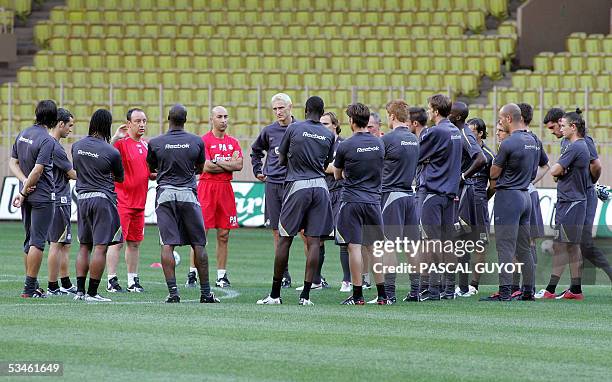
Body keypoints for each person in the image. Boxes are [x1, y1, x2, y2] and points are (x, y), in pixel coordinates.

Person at [256, 96, 335, 306]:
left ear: (306, 109)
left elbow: (281, 159)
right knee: (314, 241)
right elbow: (326, 163)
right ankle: (306, 295)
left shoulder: (294, 128)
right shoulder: (329, 134)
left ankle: (274, 295)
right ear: (322, 111)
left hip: (298, 185)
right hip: (320, 186)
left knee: (284, 238)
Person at [146, 104, 219, 304]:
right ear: (185, 120)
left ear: (168, 118)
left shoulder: (156, 142)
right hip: (188, 194)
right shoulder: (196, 141)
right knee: (199, 243)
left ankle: (173, 293)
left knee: (167, 244)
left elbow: (151, 168)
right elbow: (200, 168)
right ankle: (205, 294)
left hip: (165, 195)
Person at [543, 108, 612, 284]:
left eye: (553, 127)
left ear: (562, 123)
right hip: (574, 196)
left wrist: (590, 184)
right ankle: (575, 287)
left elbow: (596, 165)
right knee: (576, 243)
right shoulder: (565, 142)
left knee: (584, 242)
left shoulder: (583, 142)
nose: (552, 132)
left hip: (585, 196)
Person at [481, 104, 538, 301]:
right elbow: (534, 172)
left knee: (505, 247)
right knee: (524, 248)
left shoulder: (508, 143)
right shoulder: (534, 140)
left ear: (507, 118)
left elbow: (494, 173)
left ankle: (505, 292)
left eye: (500, 118)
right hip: (525, 195)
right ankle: (528, 290)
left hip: (509, 197)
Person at [334, 103, 386, 305]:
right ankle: (382, 295)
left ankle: (357, 295)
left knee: (354, 247)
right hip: (373, 200)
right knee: (374, 248)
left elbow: (338, 174)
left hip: (352, 200)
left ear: (351, 121)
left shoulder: (345, 145)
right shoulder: (379, 143)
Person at [537, 109, 592, 300]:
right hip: (573, 202)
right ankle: (575, 290)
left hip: (571, 202)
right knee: (571, 246)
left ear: (573, 127)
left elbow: (554, 170)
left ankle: (550, 290)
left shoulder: (576, 146)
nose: (561, 129)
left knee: (561, 246)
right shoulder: (576, 145)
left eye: (563, 126)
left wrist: (559, 169)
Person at [72, 109, 124, 302]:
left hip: (82, 199)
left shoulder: (77, 146)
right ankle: (92, 293)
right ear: (107, 126)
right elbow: (120, 177)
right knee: (100, 247)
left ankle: (79, 292)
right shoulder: (112, 151)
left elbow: (79, 168)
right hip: (102, 199)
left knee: (84, 246)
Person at [189, 106, 242, 288]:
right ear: (211, 119)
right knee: (200, 233)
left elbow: (239, 165)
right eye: (220, 116)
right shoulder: (203, 141)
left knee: (224, 234)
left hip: (225, 189)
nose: (224, 120)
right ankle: (192, 273)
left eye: (226, 116)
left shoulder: (233, 142)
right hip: (207, 188)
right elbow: (206, 167)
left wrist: (217, 161)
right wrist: (228, 162)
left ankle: (221, 275)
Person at [9, 100, 57, 298]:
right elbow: (38, 170)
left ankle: (33, 284)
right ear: (54, 119)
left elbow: (13, 162)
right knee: (38, 242)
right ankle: (29, 288)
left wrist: (23, 186)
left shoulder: (23, 134)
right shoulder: (47, 140)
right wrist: (27, 186)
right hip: (42, 195)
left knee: (29, 240)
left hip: (27, 194)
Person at [417, 94, 463, 301]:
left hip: (433, 193)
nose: (428, 112)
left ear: (435, 111)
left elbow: (417, 156)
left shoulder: (435, 132)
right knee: (448, 243)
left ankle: (433, 289)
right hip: (450, 194)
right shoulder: (456, 131)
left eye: (429, 109)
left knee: (431, 242)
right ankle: (449, 288)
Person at [373, 100, 419, 304]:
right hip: (410, 195)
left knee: (388, 245)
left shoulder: (388, 139)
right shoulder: (414, 138)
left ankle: (389, 293)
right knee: (411, 246)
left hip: (391, 194)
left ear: (391, 116)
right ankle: (416, 291)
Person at [250, 93, 297, 288]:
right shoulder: (269, 131)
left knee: (303, 231)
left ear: (290, 107)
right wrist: (258, 170)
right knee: (277, 232)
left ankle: (316, 277)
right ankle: (284, 274)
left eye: (281, 108)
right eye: (275, 109)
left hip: (294, 184)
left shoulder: (300, 129)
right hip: (273, 184)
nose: (278, 112)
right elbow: (256, 151)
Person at [106, 108, 152, 293]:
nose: (142, 124)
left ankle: (133, 281)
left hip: (140, 203)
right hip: (122, 202)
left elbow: (150, 172)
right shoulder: (121, 144)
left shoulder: (147, 146)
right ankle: (111, 280)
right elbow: (105, 155)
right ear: (129, 123)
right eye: (138, 121)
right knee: (117, 242)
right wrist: (115, 137)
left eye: (144, 121)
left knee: (134, 243)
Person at [448, 102, 485, 298]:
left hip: (463, 192)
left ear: (457, 117)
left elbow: (480, 159)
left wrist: (463, 177)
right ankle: (459, 286)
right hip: (459, 191)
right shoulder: (457, 132)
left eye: (450, 113)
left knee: (460, 240)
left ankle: (462, 287)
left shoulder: (464, 133)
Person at [512, 103, 549, 299]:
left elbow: (546, 166)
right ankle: (525, 286)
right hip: (529, 193)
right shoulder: (534, 140)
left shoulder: (521, 139)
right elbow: (546, 166)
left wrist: (525, 181)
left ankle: (523, 286)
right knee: (528, 241)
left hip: (521, 194)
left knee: (525, 241)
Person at [46, 108, 78, 296]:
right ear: (60, 124)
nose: (70, 130)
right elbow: (71, 173)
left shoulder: (52, 144)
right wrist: (91, 176)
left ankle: (65, 283)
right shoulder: (54, 146)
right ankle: (52, 286)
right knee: (56, 243)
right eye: (70, 125)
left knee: (65, 244)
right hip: (58, 198)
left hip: (61, 197)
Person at [320, 111, 350, 292]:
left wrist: (326, 167)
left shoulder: (344, 144)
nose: (321, 127)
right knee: (316, 237)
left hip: (340, 193)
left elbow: (344, 171)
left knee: (343, 238)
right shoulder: (319, 144)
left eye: (325, 124)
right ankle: (316, 279)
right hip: (323, 193)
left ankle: (347, 280)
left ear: (335, 125)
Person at [466, 118, 495, 294]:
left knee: (480, 243)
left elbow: (493, 185)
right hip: (461, 200)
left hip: (478, 201)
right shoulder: (463, 152)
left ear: (481, 133)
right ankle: (458, 283)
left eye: (472, 132)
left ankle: (473, 285)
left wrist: (483, 198)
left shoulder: (490, 156)